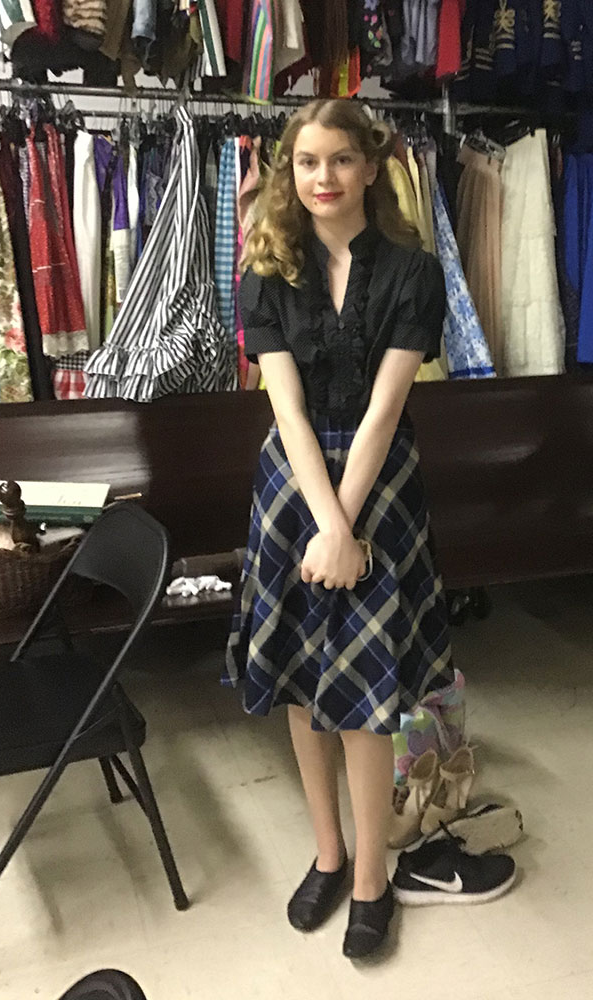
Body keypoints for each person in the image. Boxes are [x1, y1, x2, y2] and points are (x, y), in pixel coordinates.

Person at [224, 98, 454, 958]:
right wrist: (325, 527)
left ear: (371, 165)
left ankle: (371, 876)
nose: (323, 178)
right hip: (293, 487)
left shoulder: (412, 270)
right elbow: (284, 405)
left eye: (341, 160)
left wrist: (349, 529)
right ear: (292, 170)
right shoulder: (266, 269)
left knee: (364, 694)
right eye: (307, 162)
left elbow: (387, 412)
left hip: (378, 482)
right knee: (298, 679)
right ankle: (327, 854)